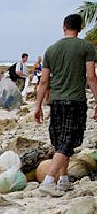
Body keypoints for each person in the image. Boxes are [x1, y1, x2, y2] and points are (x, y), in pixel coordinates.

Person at [34, 13, 97, 196]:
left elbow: (44, 82)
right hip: (75, 100)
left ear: (64, 27)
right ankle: (49, 180)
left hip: (55, 101)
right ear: (80, 28)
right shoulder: (86, 47)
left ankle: (64, 180)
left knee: (60, 141)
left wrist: (37, 106)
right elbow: (91, 76)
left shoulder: (51, 49)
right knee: (68, 141)